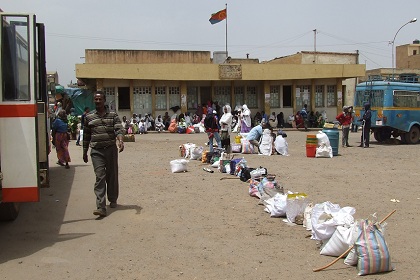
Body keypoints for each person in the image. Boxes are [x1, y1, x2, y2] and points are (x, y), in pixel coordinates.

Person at [83, 91, 125, 218]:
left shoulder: (112, 115)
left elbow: (118, 128)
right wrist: (84, 152)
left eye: (100, 99)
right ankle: (101, 207)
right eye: (95, 99)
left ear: (104, 100)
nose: (98, 101)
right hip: (97, 151)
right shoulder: (89, 117)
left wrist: (120, 140)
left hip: (111, 149)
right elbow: (86, 135)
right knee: (100, 176)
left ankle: (112, 198)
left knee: (112, 175)